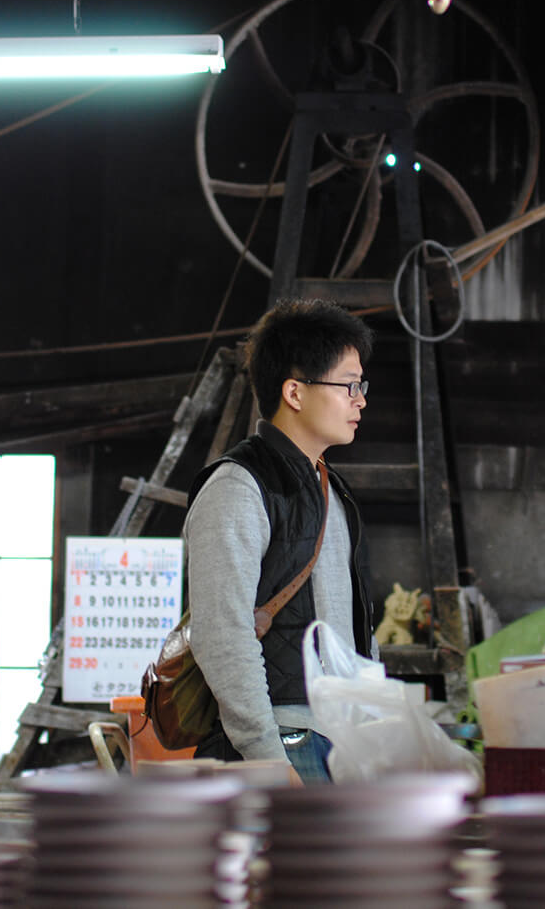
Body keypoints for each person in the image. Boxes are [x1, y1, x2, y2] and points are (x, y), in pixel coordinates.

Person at [186, 298, 376, 783]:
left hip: (340, 743)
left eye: (362, 385)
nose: (361, 400)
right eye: (349, 385)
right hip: (285, 742)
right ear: (295, 391)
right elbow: (223, 633)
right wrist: (267, 756)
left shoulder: (331, 488)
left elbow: (356, 629)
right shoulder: (238, 486)